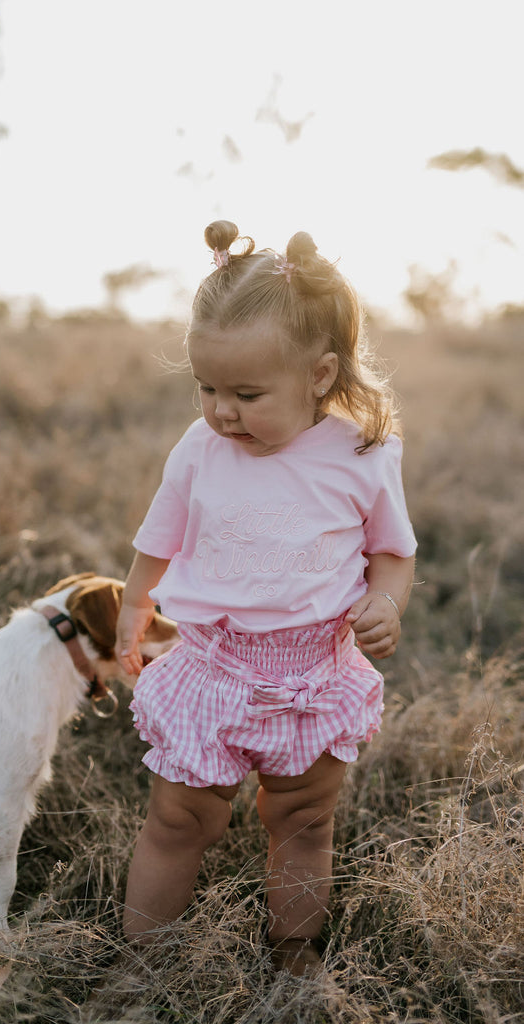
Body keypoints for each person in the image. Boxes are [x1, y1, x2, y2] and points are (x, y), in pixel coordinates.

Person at [115, 221, 416, 975]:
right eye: (207, 387)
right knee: (179, 819)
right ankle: (142, 957)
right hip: (213, 664)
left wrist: (387, 603)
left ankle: (294, 949)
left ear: (318, 375)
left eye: (246, 393)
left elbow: (392, 553)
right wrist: (133, 607)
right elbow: (159, 536)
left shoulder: (361, 452)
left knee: (303, 819)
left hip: (314, 673)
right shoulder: (201, 447)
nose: (221, 410)